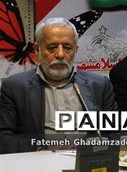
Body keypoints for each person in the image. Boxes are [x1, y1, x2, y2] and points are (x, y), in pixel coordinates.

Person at [0, 17, 116, 154]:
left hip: (87, 160)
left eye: (67, 48)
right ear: (37, 50)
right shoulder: (14, 87)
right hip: (39, 161)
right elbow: (4, 138)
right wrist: (42, 149)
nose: (60, 54)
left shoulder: (100, 85)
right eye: (52, 48)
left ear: (76, 50)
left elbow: (115, 133)